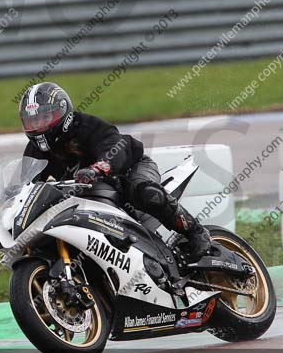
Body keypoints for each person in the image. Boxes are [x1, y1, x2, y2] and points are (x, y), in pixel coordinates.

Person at [18, 82, 212, 263]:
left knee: (144, 192)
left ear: (62, 111)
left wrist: (98, 167)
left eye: (45, 117)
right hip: (87, 193)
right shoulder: (35, 151)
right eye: (32, 121)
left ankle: (195, 232)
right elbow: (27, 187)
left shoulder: (86, 126)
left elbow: (114, 147)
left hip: (129, 169)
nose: (38, 126)